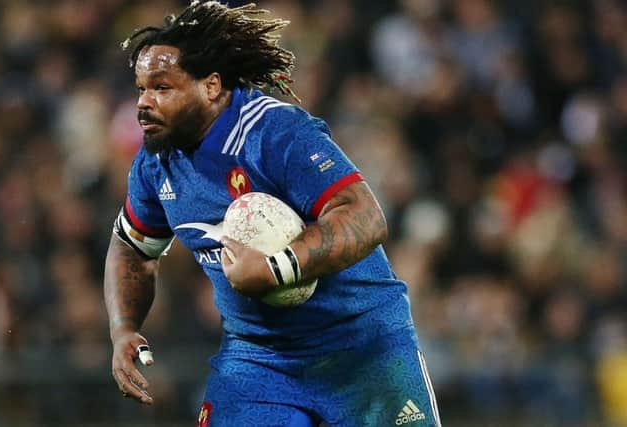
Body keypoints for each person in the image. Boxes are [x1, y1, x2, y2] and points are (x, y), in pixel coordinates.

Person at [104, 1, 441, 426]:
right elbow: (132, 248)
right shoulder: (155, 165)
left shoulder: (276, 134)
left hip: (361, 346)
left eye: (162, 88)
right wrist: (123, 328)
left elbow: (364, 216)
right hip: (259, 359)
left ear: (211, 86)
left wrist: (277, 267)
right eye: (140, 89)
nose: (144, 103)